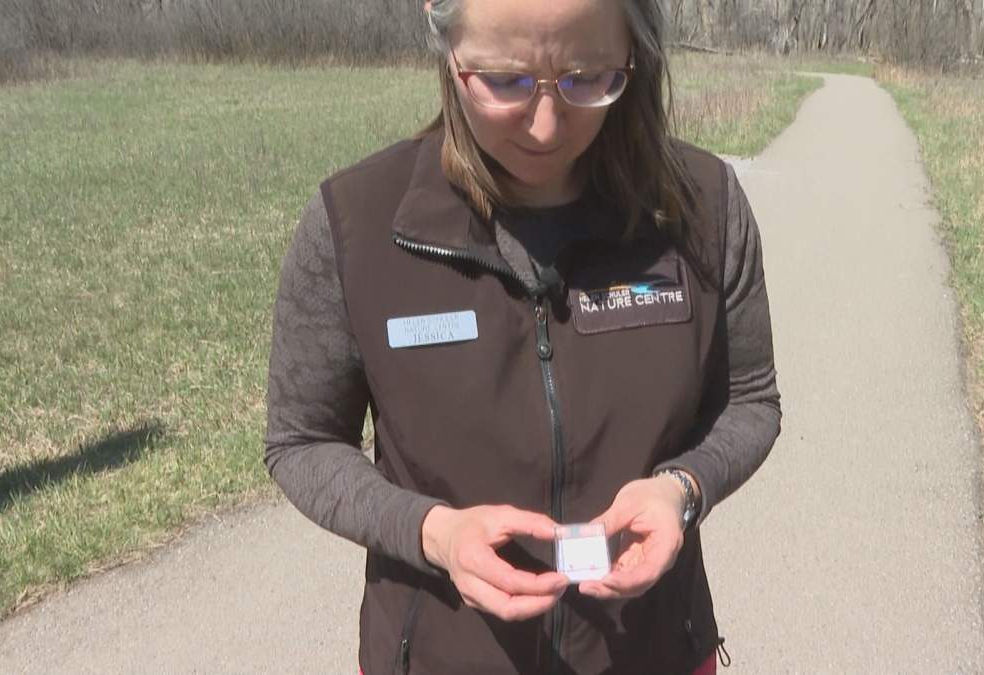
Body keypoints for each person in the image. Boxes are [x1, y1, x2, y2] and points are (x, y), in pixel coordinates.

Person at [263, 0, 781, 673]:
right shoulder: (356, 224)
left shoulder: (703, 207)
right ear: (447, 47)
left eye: (587, 78)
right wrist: (432, 532)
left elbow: (752, 400)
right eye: (506, 81)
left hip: (653, 650)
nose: (545, 125)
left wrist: (682, 488)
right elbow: (300, 441)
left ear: (634, 52)